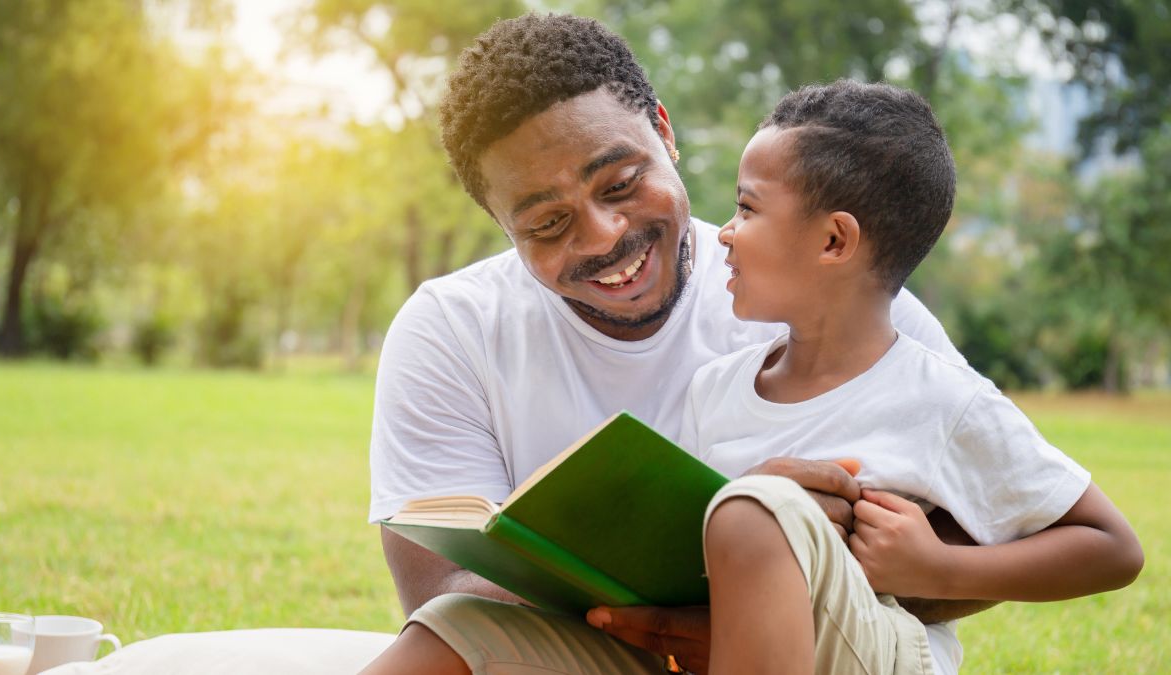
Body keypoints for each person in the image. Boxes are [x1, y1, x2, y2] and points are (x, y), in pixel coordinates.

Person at [363, 13, 988, 675]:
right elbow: (443, 593)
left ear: (664, 130)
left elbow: (997, 537)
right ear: (500, 223)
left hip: (824, 645)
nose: (604, 236)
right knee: (445, 635)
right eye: (548, 222)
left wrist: (774, 576)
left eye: (621, 184)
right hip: (611, 647)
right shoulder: (450, 328)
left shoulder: (838, 292)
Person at [672, 79, 1143, 674]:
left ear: (834, 239)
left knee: (758, 511)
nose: (726, 232)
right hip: (730, 649)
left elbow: (1113, 548)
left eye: (747, 207)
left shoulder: (942, 398)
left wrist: (938, 569)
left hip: (881, 648)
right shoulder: (714, 387)